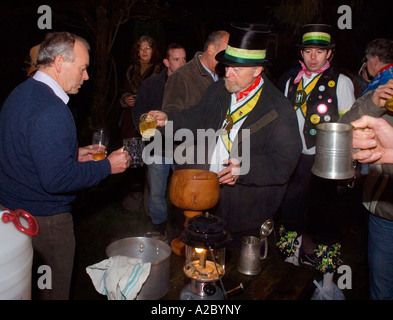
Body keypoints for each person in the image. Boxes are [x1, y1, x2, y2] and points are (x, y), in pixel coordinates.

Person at [0, 31, 131, 300]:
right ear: (60, 63)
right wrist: (107, 166)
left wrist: (72, 153)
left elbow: (28, 150)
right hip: (43, 224)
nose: (86, 76)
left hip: (12, 216)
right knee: (52, 294)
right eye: (82, 68)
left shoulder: (21, 93)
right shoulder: (52, 110)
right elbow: (56, 180)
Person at [149, 23, 302, 243]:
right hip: (208, 197)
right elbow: (196, 118)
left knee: (238, 272)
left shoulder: (279, 109)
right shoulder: (219, 90)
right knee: (202, 264)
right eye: (227, 66)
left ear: (257, 70)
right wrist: (167, 120)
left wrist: (245, 168)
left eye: (236, 69)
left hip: (246, 209)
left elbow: (284, 163)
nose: (227, 74)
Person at [277, 24, 356, 269]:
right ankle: (290, 261)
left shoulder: (341, 82)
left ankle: (327, 275)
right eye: (309, 51)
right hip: (294, 158)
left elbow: (350, 126)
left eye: (320, 52)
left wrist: (349, 163)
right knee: (291, 211)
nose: (313, 57)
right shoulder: (291, 80)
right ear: (301, 53)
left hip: (325, 160)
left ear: (329, 54)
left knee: (325, 217)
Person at [340, 70, 393, 299]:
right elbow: (342, 129)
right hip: (385, 212)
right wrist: (373, 103)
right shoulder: (385, 87)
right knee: (382, 290)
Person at [132, 43, 187, 240]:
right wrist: (146, 129)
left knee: (184, 191)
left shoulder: (191, 84)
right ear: (166, 62)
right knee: (156, 193)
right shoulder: (151, 84)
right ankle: (160, 229)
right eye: (176, 59)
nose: (182, 63)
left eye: (184, 59)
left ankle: (183, 229)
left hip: (183, 148)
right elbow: (138, 113)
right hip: (158, 148)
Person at [162, 30, 229, 113]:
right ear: (211, 49)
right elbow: (170, 117)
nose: (228, 58)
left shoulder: (227, 74)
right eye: (225, 52)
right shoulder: (180, 76)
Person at [119, 35, 162, 140]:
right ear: (137, 52)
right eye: (141, 48)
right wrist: (126, 99)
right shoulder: (131, 70)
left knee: (149, 152)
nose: (144, 51)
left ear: (153, 51)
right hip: (130, 119)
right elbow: (124, 92)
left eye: (148, 48)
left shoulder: (160, 70)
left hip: (150, 117)